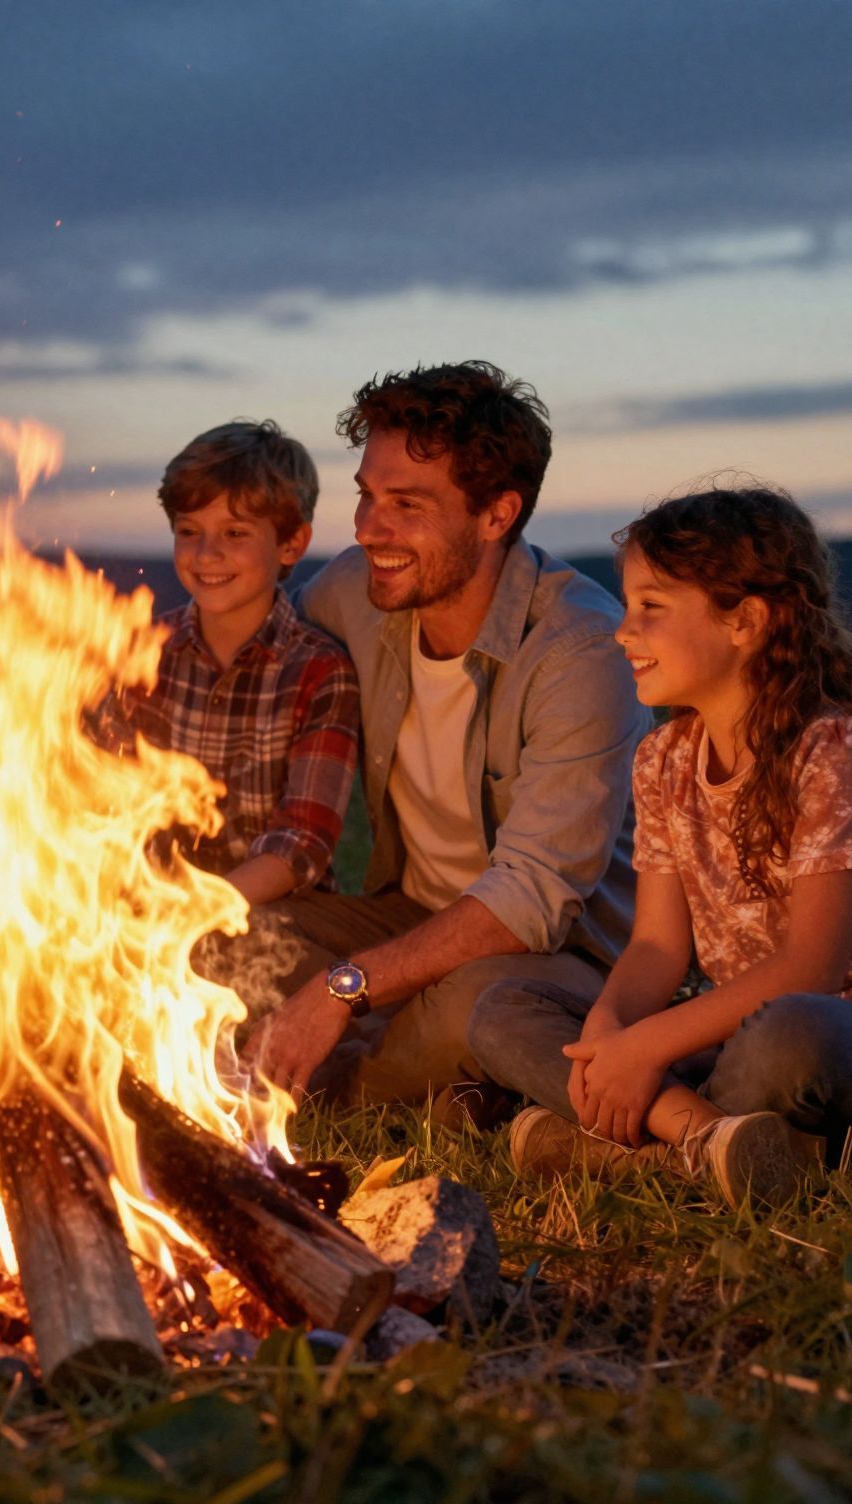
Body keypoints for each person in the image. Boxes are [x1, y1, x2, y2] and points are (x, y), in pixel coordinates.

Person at [469, 486, 852, 1205]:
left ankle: (634, 1149)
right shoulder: (664, 757)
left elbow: (812, 969)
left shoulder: (831, 747)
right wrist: (611, 1028)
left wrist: (646, 1050)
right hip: (725, 1040)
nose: (622, 631)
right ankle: (712, 1146)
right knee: (504, 1009)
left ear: (746, 622)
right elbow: (658, 949)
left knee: (788, 1035)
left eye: (651, 609)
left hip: (845, 1039)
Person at [254, 362, 651, 1115]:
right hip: (409, 914)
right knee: (224, 937)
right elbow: (263, 662)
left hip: (558, 956)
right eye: (367, 496)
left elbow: (532, 901)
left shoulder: (580, 650)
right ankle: (450, 1084)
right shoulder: (352, 590)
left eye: (406, 504)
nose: (370, 528)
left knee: (476, 1001)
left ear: (497, 515)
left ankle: (362, 1089)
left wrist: (342, 989)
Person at [116, 420, 359, 907]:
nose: (207, 553)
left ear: (292, 544)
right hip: (144, 904)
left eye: (234, 532)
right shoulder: (141, 652)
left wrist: (195, 914)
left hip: (276, 913)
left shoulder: (319, 670)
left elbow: (301, 843)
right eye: (189, 531)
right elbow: (104, 795)